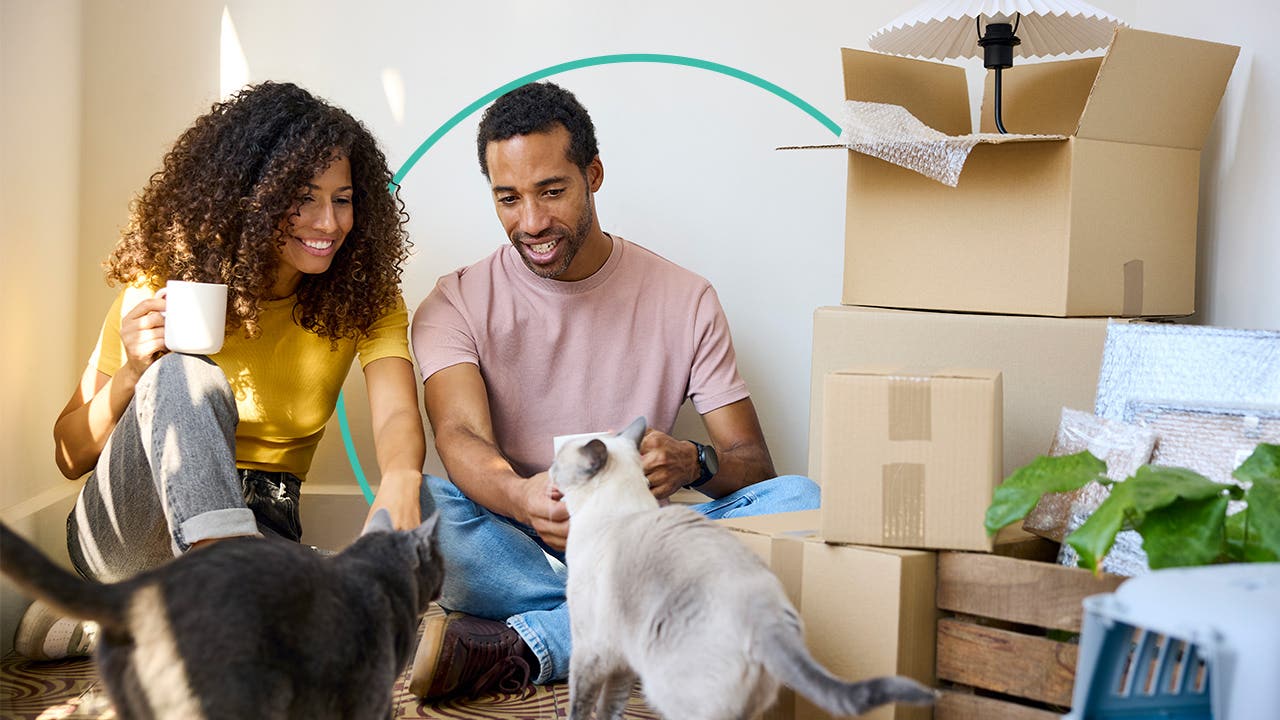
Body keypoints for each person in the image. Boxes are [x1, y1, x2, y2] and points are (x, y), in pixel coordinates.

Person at [407, 81, 820, 700]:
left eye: (552, 191)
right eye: (509, 199)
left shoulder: (686, 299)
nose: (533, 221)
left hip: (645, 541)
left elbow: (755, 467)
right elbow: (459, 436)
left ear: (593, 175)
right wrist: (522, 499)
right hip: (527, 543)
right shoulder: (455, 302)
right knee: (417, 507)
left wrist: (693, 462)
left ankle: (531, 643)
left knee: (800, 499)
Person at [15, 81, 425, 659]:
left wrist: (402, 479)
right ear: (248, 196)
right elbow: (69, 456)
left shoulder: (365, 297)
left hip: (263, 522)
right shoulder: (161, 287)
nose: (327, 222)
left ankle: (135, 620)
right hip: (134, 528)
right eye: (302, 197)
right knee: (188, 375)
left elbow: (397, 414)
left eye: (343, 198)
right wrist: (133, 373)